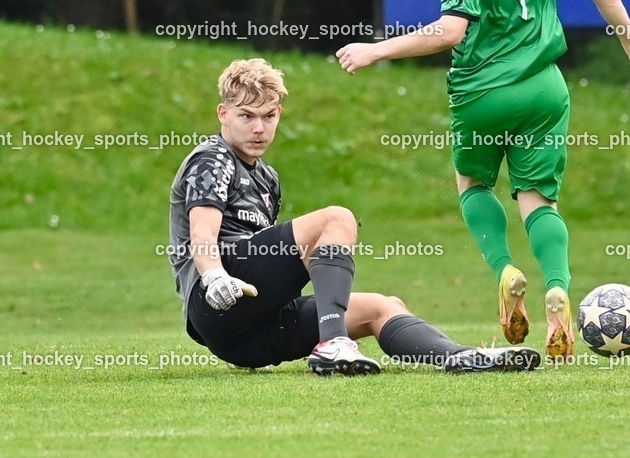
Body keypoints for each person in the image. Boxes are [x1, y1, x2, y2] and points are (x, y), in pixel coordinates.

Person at [336, 0, 630, 360]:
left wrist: (377, 51)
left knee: (473, 184)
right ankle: (558, 286)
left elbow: (448, 32)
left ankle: (506, 271)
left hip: (484, 91)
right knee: (539, 198)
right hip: (546, 91)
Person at [167, 58, 540, 376]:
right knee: (337, 219)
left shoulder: (267, 177)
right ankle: (333, 343)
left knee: (383, 306)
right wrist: (213, 274)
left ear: (279, 113)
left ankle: (461, 355)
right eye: (246, 116)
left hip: (246, 338)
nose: (259, 128)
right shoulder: (211, 158)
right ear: (223, 113)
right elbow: (202, 231)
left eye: (267, 115)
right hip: (213, 300)